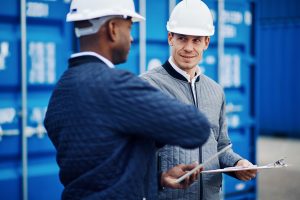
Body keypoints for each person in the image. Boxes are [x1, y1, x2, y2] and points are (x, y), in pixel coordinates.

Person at [44, 0, 211, 199]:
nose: (131, 38)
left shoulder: (63, 89)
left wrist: (158, 179)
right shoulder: (116, 85)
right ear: (113, 29)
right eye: (129, 27)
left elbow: (101, 167)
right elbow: (196, 128)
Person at [140, 0, 257, 199]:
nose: (188, 48)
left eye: (196, 40)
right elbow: (133, 155)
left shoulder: (216, 91)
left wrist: (237, 164)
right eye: (182, 38)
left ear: (206, 42)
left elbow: (221, 147)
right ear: (170, 38)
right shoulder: (147, 86)